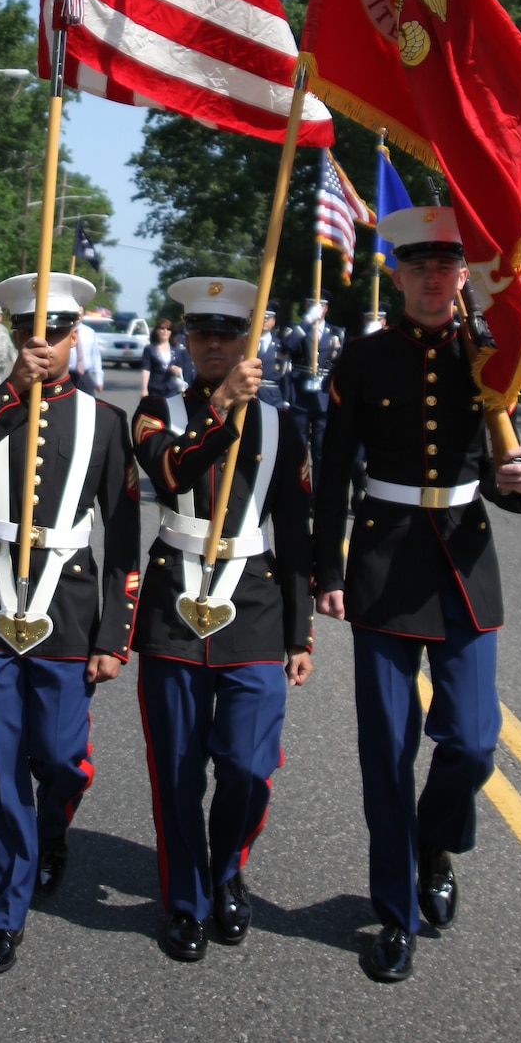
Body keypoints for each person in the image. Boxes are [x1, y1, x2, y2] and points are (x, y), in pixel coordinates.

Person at [313, 205, 521, 984]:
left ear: (460, 275)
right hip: (382, 560)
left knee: (472, 741)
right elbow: (334, 468)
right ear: (396, 274)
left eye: (446, 267)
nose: (433, 279)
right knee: (385, 750)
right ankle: (393, 911)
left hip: (463, 564)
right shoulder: (362, 359)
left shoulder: (489, 356)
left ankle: (435, 842)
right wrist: (328, 571)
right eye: (418, 267)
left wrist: (518, 483)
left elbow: (506, 477)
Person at [0, 271, 141, 974]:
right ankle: (4, 907)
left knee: (58, 759)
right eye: (32, 331)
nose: (44, 343)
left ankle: (51, 828)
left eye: (56, 331)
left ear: (74, 332)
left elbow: (122, 538)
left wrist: (115, 636)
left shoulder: (105, 421)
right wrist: (5, 394)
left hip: (68, 605)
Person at [131, 276, 314, 962]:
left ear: (249, 341)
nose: (214, 344)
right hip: (173, 606)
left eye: (227, 334)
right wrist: (220, 413)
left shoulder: (282, 423)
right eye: (201, 333)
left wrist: (300, 632)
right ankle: (186, 899)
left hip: (257, 608)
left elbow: (295, 533)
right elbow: (170, 474)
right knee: (176, 770)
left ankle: (228, 866)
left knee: (246, 766)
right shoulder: (155, 410)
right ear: (183, 339)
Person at [287, 294, 343, 465]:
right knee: (297, 448)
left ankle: (318, 490)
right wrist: (306, 322)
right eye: (310, 305)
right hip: (300, 396)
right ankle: (296, 489)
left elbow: (343, 360)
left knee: (321, 448)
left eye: (319, 305)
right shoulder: (298, 330)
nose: (316, 309)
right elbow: (288, 345)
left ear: (325, 308)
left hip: (324, 396)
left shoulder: (336, 332)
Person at [140, 315, 190, 399]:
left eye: (168, 329)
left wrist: (178, 370)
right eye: (162, 328)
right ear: (157, 331)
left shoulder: (177, 350)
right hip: (155, 389)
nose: (165, 331)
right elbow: (146, 370)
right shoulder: (149, 349)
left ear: (171, 332)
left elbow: (181, 367)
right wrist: (144, 389)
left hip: (172, 390)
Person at [256, 302, 289, 407]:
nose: (264, 320)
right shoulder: (245, 343)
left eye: (268, 318)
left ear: (273, 321)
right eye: (262, 317)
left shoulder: (281, 345)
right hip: (249, 394)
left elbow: (285, 374)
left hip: (272, 397)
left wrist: (286, 399)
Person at [70, 315, 104, 396]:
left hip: (84, 376)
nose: (78, 315)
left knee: (89, 403)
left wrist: (98, 379)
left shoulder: (89, 332)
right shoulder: (63, 331)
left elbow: (96, 356)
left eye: (80, 312)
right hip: (66, 375)